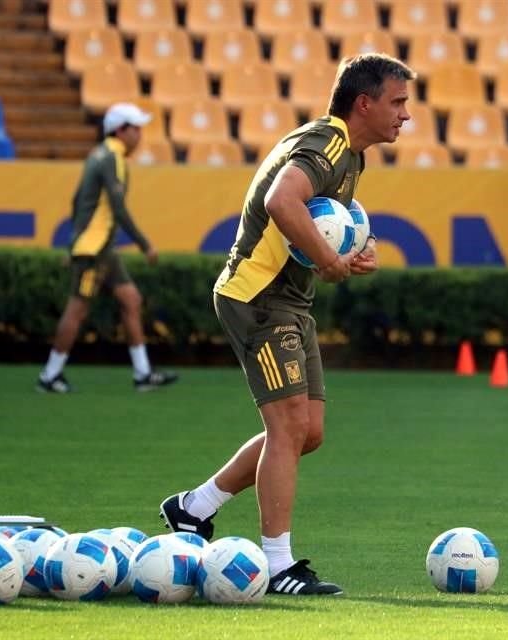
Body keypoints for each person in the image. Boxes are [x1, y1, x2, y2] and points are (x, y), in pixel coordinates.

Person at [159, 54, 415, 595]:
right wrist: (327, 259)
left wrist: (353, 249)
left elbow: (319, 218)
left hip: (289, 302)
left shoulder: (347, 154)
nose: (405, 115)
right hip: (258, 297)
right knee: (288, 427)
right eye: (398, 102)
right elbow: (282, 201)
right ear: (364, 103)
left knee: (309, 432)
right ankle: (278, 567)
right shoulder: (329, 144)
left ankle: (193, 507)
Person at [37, 103, 178, 393]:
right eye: (135, 128)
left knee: (131, 299)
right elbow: (118, 209)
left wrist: (73, 242)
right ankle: (49, 376)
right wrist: (144, 244)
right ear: (120, 130)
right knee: (77, 309)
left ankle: (142, 374)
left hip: (98, 247)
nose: (139, 135)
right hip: (95, 248)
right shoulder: (113, 157)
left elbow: (77, 202)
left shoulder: (98, 155)